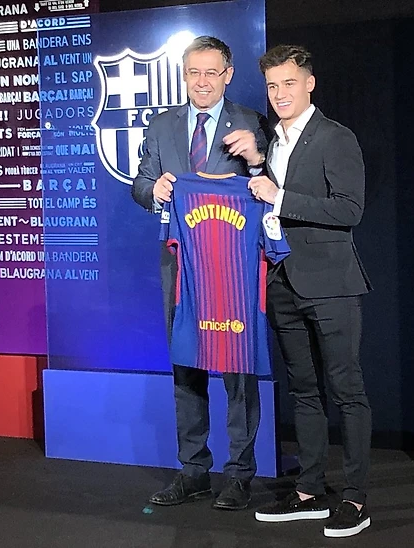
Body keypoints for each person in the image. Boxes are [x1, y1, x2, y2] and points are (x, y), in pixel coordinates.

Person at [132, 35, 270, 511]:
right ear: (185, 75)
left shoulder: (252, 122)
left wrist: (257, 159)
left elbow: (273, 185)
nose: (202, 82)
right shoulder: (162, 124)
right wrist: (155, 189)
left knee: (237, 368)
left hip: (233, 266)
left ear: (228, 75)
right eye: (194, 72)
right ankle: (193, 470)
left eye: (212, 72)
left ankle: (239, 474)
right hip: (181, 264)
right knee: (185, 364)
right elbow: (140, 183)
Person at [247, 45, 373, 537]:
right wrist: (257, 168)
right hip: (283, 282)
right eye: (272, 86)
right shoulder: (270, 141)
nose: (280, 94)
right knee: (303, 391)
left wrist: (280, 197)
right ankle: (309, 491)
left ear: (309, 83)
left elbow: (349, 209)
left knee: (346, 390)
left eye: (289, 83)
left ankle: (355, 498)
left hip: (332, 284)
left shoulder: (336, 137)